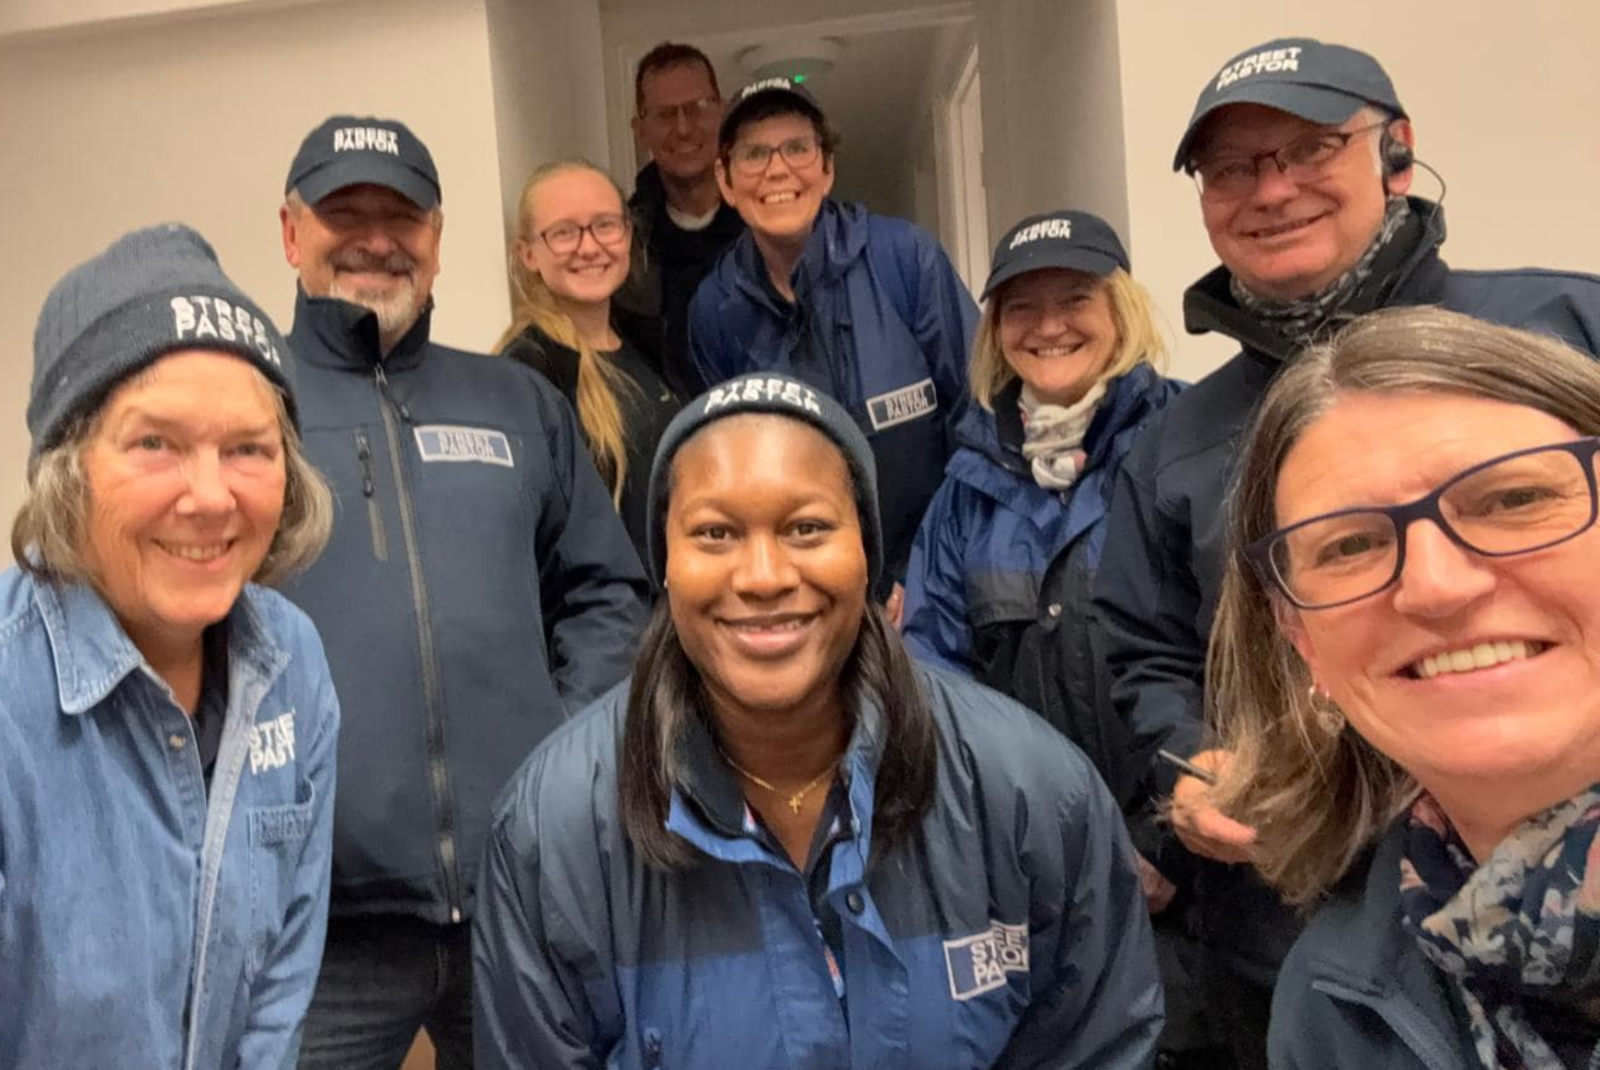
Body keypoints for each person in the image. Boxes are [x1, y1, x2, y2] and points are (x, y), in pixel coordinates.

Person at [1091, 35, 1600, 1067]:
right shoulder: (1175, 440)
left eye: (1309, 148)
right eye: (1232, 167)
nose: (1437, 583)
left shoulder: (1565, 323)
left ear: (1396, 154)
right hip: (1299, 918)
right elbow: (1137, 644)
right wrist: (1194, 761)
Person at [472, 373, 1163, 1070]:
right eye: (715, 533)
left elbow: (1099, 1048)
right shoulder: (553, 832)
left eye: (807, 528)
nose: (765, 575)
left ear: (866, 551)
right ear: (666, 563)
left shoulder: (1032, 796)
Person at [276, 115, 650, 1070]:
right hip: (320, 923)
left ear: (437, 239)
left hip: (518, 896)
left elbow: (605, 589)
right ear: (290, 232)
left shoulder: (518, 404)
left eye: (400, 216)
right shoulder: (249, 407)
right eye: (342, 212)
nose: (373, 238)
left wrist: (563, 740)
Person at [1205, 306, 1600, 1070]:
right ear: (1302, 642)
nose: (1436, 586)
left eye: (1513, 500)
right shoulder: (1333, 1012)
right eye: (1351, 545)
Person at [0, 223, 338, 1069]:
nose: (211, 495)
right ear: (66, 466)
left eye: (249, 449)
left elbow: (278, 992)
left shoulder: (292, 661)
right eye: (155, 443)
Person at [901, 208, 1181, 801]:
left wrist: (1164, 844)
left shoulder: (1185, 444)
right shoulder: (966, 487)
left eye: (1075, 299)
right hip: (1029, 850)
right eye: (1022, 307)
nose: (1049, 326)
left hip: (1194, 851)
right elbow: (935, 681)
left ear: (1118, 310)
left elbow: (1235, 666)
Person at [689, 78, 979, 613]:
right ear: (725, 181)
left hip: (934, 595)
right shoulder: (715, 309)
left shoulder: (906, 260)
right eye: (754, 153)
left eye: (797, 147)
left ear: (827, 169)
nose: (778, 170)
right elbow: (732, 468)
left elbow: (978, 421)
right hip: (801, 599)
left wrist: (925, 575)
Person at [498, 158, 683, 567]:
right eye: (563, 233)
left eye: (604, 225)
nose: (589, 246)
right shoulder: (527, 372)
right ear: (528, 253)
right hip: (611, 623)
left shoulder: (650, 343)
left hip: (672, 613)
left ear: (628, 233)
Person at [619, 41, 745, 397]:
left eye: (697, 107)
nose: (684, 128)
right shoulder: (621, 247)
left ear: (722, 112)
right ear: (639, 129)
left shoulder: (768, 226)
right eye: (664, 114)